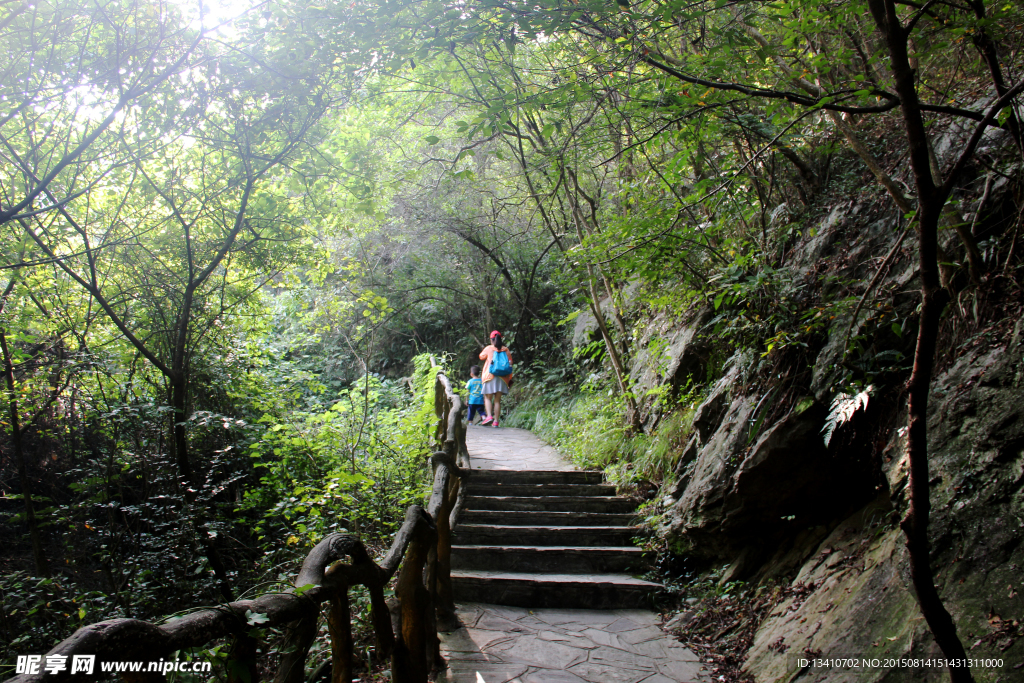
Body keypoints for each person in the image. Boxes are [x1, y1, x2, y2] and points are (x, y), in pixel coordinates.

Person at [479, 330, 512, 427]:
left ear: (491, 339)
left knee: (487, 397)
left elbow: (481, 357)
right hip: (502, 378)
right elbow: (510, 362)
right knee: (497, 400)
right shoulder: (506, 349)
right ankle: (496, 422)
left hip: (490, 376)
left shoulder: (489, 348)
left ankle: (489, 416)